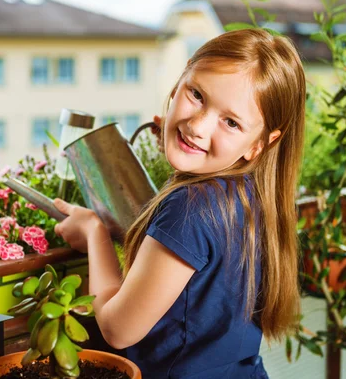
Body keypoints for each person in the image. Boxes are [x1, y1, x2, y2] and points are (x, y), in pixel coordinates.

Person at [53, 28, 306, 378]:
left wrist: (95, 232)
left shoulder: (190, 209)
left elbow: (117, 328)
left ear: (259, 144)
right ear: (178, 83)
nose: (198, 126)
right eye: (197, 95)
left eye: (230, 122)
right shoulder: (250, 195)